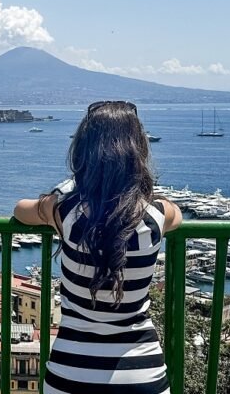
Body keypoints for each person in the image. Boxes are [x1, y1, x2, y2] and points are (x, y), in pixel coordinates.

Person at [14, 100, 182, 394]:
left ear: (83, 152)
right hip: (142, 375)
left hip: (71, 373)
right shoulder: (157, 215)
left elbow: (20, 210)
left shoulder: (66, 212)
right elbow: (176, 214)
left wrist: (64, 189)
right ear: (138, 151)